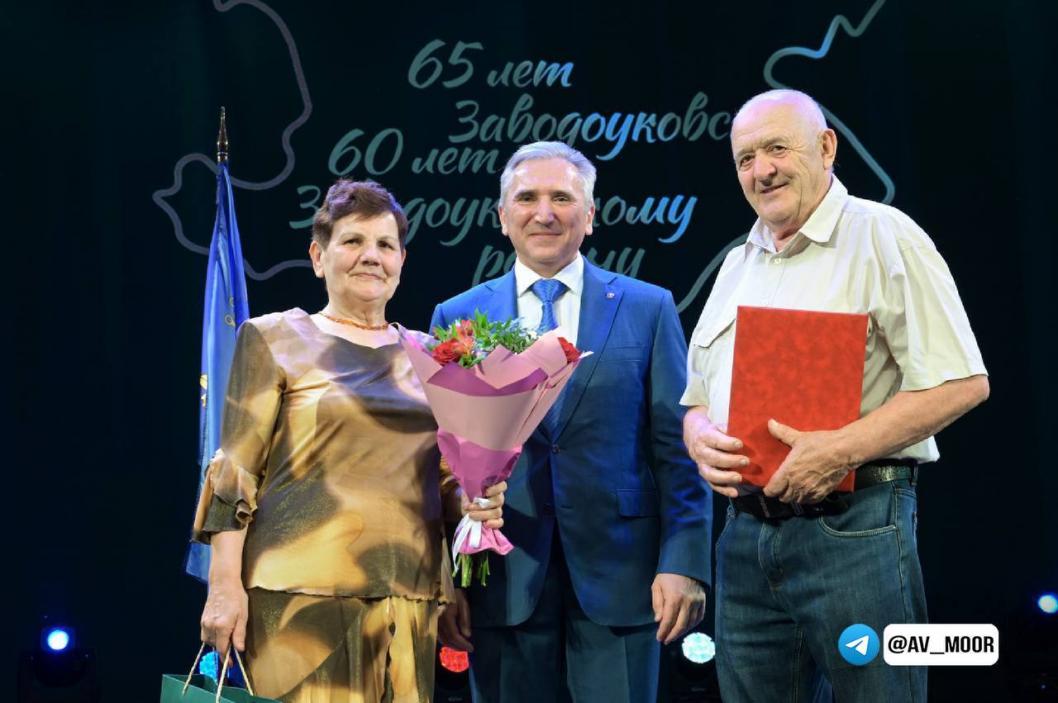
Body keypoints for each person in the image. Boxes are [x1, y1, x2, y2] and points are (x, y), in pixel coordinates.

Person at [682, 89, 989, 701]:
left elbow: (962, 381)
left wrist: (839, 450)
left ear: (826, 148)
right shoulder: (737, 263)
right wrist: (698, 439)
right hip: (744, 537)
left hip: (855, 529)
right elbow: (696, 399)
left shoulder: (884, 235)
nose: (762, 170)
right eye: (745, 158)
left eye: (777, 148)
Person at [192, 179, 506, 703]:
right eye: (353, 241)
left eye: (385, 245)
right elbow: (236, 471)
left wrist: (475, 503)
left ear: (401, 261)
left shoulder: (432, 356)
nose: (371, 256)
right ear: (319, 256)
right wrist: (224, 586)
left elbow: (443, 481)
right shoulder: (273, 338)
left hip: (408, 601)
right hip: (297, 601)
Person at [430, 141, 712, 702]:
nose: (544, 213)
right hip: (501, 582)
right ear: (502, 216)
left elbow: (679, 451)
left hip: (625, 580)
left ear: (590, 215)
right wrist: (444, 580)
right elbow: (439, 465)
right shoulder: (457, 316)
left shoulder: (648, 308)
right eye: (527, 198)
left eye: (562, 197)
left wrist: (684, 562)